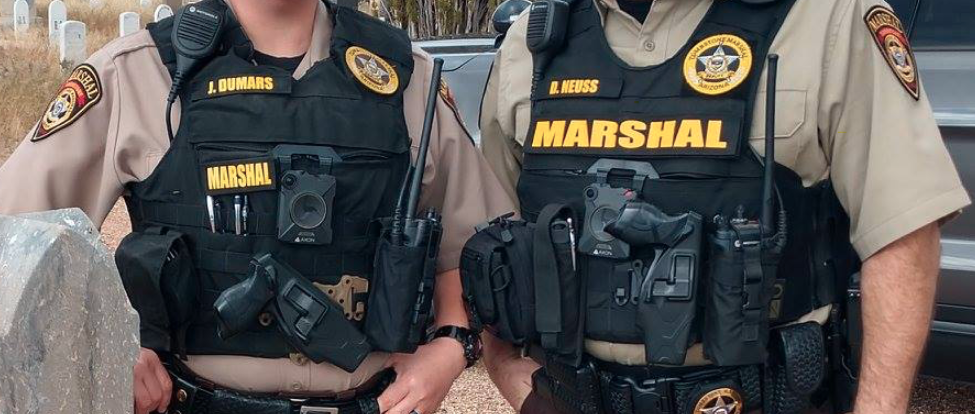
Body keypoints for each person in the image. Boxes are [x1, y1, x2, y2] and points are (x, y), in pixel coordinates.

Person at [0, 0, 515, 413]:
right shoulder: (136, 72)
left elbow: (472, 243)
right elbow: (15, 245)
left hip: (373, 401)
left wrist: (450, 348)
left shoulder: (406, 76)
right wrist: (106, 347)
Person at [476, 0, 970, 413]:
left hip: (759, 396)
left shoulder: (827, 17)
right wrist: (502, 365)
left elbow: (903, 233)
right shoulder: (533, 40)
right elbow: (493, 231)